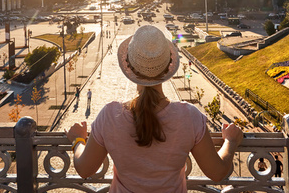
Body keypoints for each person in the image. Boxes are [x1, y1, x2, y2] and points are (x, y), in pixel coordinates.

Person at [66, 25, 243, 192]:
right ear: (168, 67)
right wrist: (230, 141)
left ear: (129, 66)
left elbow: (84, 169)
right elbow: (217, 172)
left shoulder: (110, 116)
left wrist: (77, 140)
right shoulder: (189, 117)